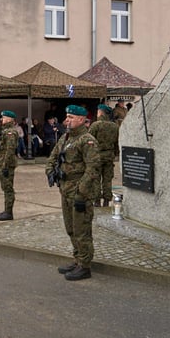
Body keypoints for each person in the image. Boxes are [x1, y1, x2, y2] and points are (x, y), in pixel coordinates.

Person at [46, 104, 101, 281]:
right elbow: (54, 156)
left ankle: (85, 266)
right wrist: (50, 171)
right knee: (71, 228)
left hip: (79, 193)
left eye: (70, 117)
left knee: (82, 230)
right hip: (65, 190)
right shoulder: (66, 137)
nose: (66, 120)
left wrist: (81, 193)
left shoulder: (87, 140)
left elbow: (93, 169)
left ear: (81, 119)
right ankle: (77, 259)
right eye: (67, 117)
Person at [88, 104, 119, 207]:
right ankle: (106, 201)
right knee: (107, 179)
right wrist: (116, 154)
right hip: (109, 156)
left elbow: (89, 141)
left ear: (101, 112)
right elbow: (116, 143)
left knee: (96, 179)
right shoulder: (114, 126)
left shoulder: (95, 125)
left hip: (97, 156)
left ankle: (97, 201)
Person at [0, 110, 19, 221]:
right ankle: (6, 210)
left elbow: (10, 150)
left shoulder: (10, 132)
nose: (1, 119)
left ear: (10, 119)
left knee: (8, 188)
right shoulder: (5, 130)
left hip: (7, 164)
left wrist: (5, 165)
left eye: (4, 117)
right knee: (5, 187)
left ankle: (8, 212)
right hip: (3, 162)